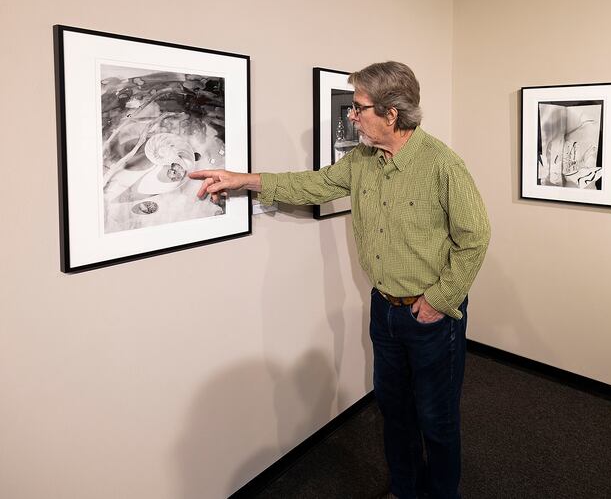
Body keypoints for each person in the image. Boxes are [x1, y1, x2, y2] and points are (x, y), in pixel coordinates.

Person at [189, 61, 490, 499]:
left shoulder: (442, 165)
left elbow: (475, 238)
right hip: (384, 310)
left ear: (391, 113)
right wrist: (243, 180)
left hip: (432, 318)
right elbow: (312, 185)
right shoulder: (361, 162)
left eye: (358, 107)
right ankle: (406, 491)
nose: (351, 115)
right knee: (394, 411)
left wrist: (439, 299)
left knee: (437, 420)